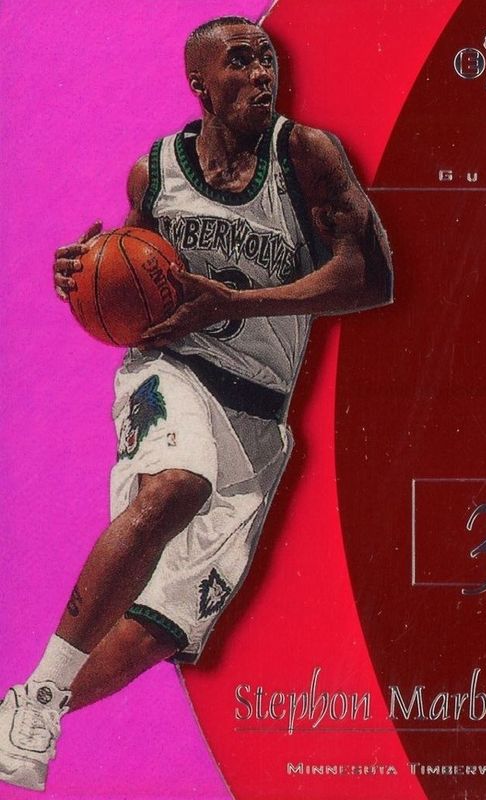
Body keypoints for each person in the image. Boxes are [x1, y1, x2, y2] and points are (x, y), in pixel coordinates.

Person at [0, 15, 393, 792]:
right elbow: (130, 275)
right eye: (239, 62)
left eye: (266, 59)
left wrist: (238, 302)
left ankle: (25, 706)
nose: (261, 73)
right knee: (179, 484)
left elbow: (371, 276)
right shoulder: (154, 172)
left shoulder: (304, 154)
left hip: (259, 415)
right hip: (173, 371)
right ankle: (42, 695)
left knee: (157, 631)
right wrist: (83, 273)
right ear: (200, 85)